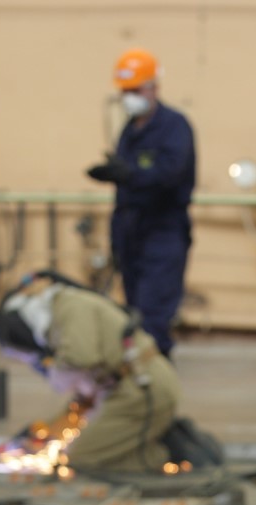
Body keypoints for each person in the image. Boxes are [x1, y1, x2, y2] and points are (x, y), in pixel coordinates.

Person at [0, 272, 222, 474]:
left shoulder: (70, 308)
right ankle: (150, 440)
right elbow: (84, 398)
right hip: (128, 391)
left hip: (143, 393)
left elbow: (79, 358)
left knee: (81, 460)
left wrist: (56, 373)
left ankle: (169, 452)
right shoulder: (61, 310)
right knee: (83, 448)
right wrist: (45, 431)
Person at [86, 48, 195, 358]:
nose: (129, 97)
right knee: (133, 316)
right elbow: (126, 188)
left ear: (153, 87)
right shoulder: (129, 131)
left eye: (135, 90)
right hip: (130, 233)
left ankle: (158, 384)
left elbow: (170, 173)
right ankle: (140, 383)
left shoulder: (174, 126)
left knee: (153, 320)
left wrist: (130, 174)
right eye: (125, 91)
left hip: (162, 233)